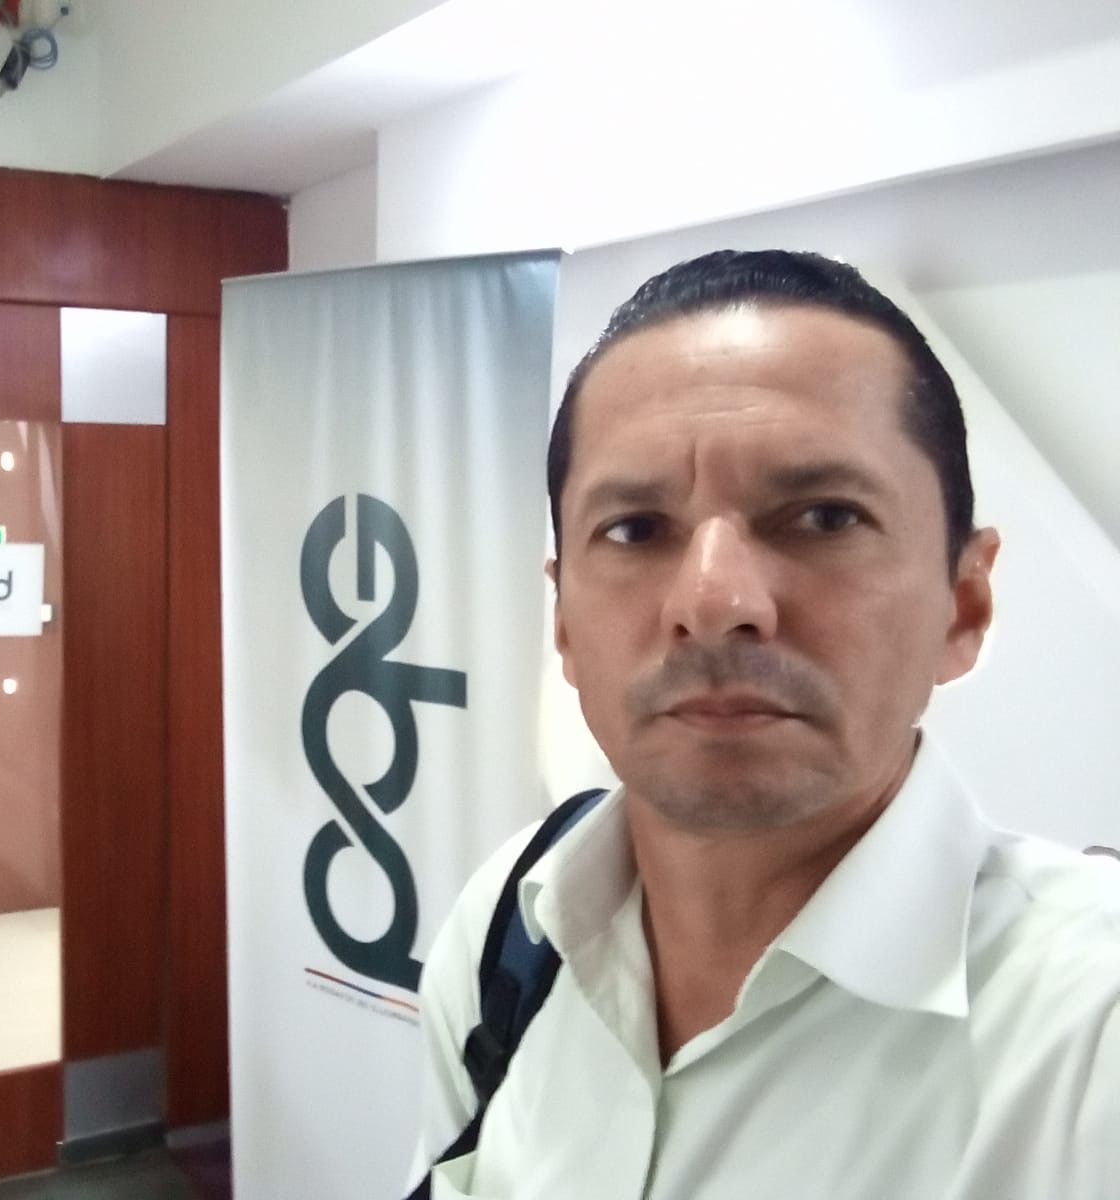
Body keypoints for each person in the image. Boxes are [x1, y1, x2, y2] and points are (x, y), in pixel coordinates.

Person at [409, 250, 1120, 1198]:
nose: (713, 602)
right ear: (565, 624)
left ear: (964, 606)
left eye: (823, 517)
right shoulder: (510, 925)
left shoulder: (1087, 1037)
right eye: (634, 529)